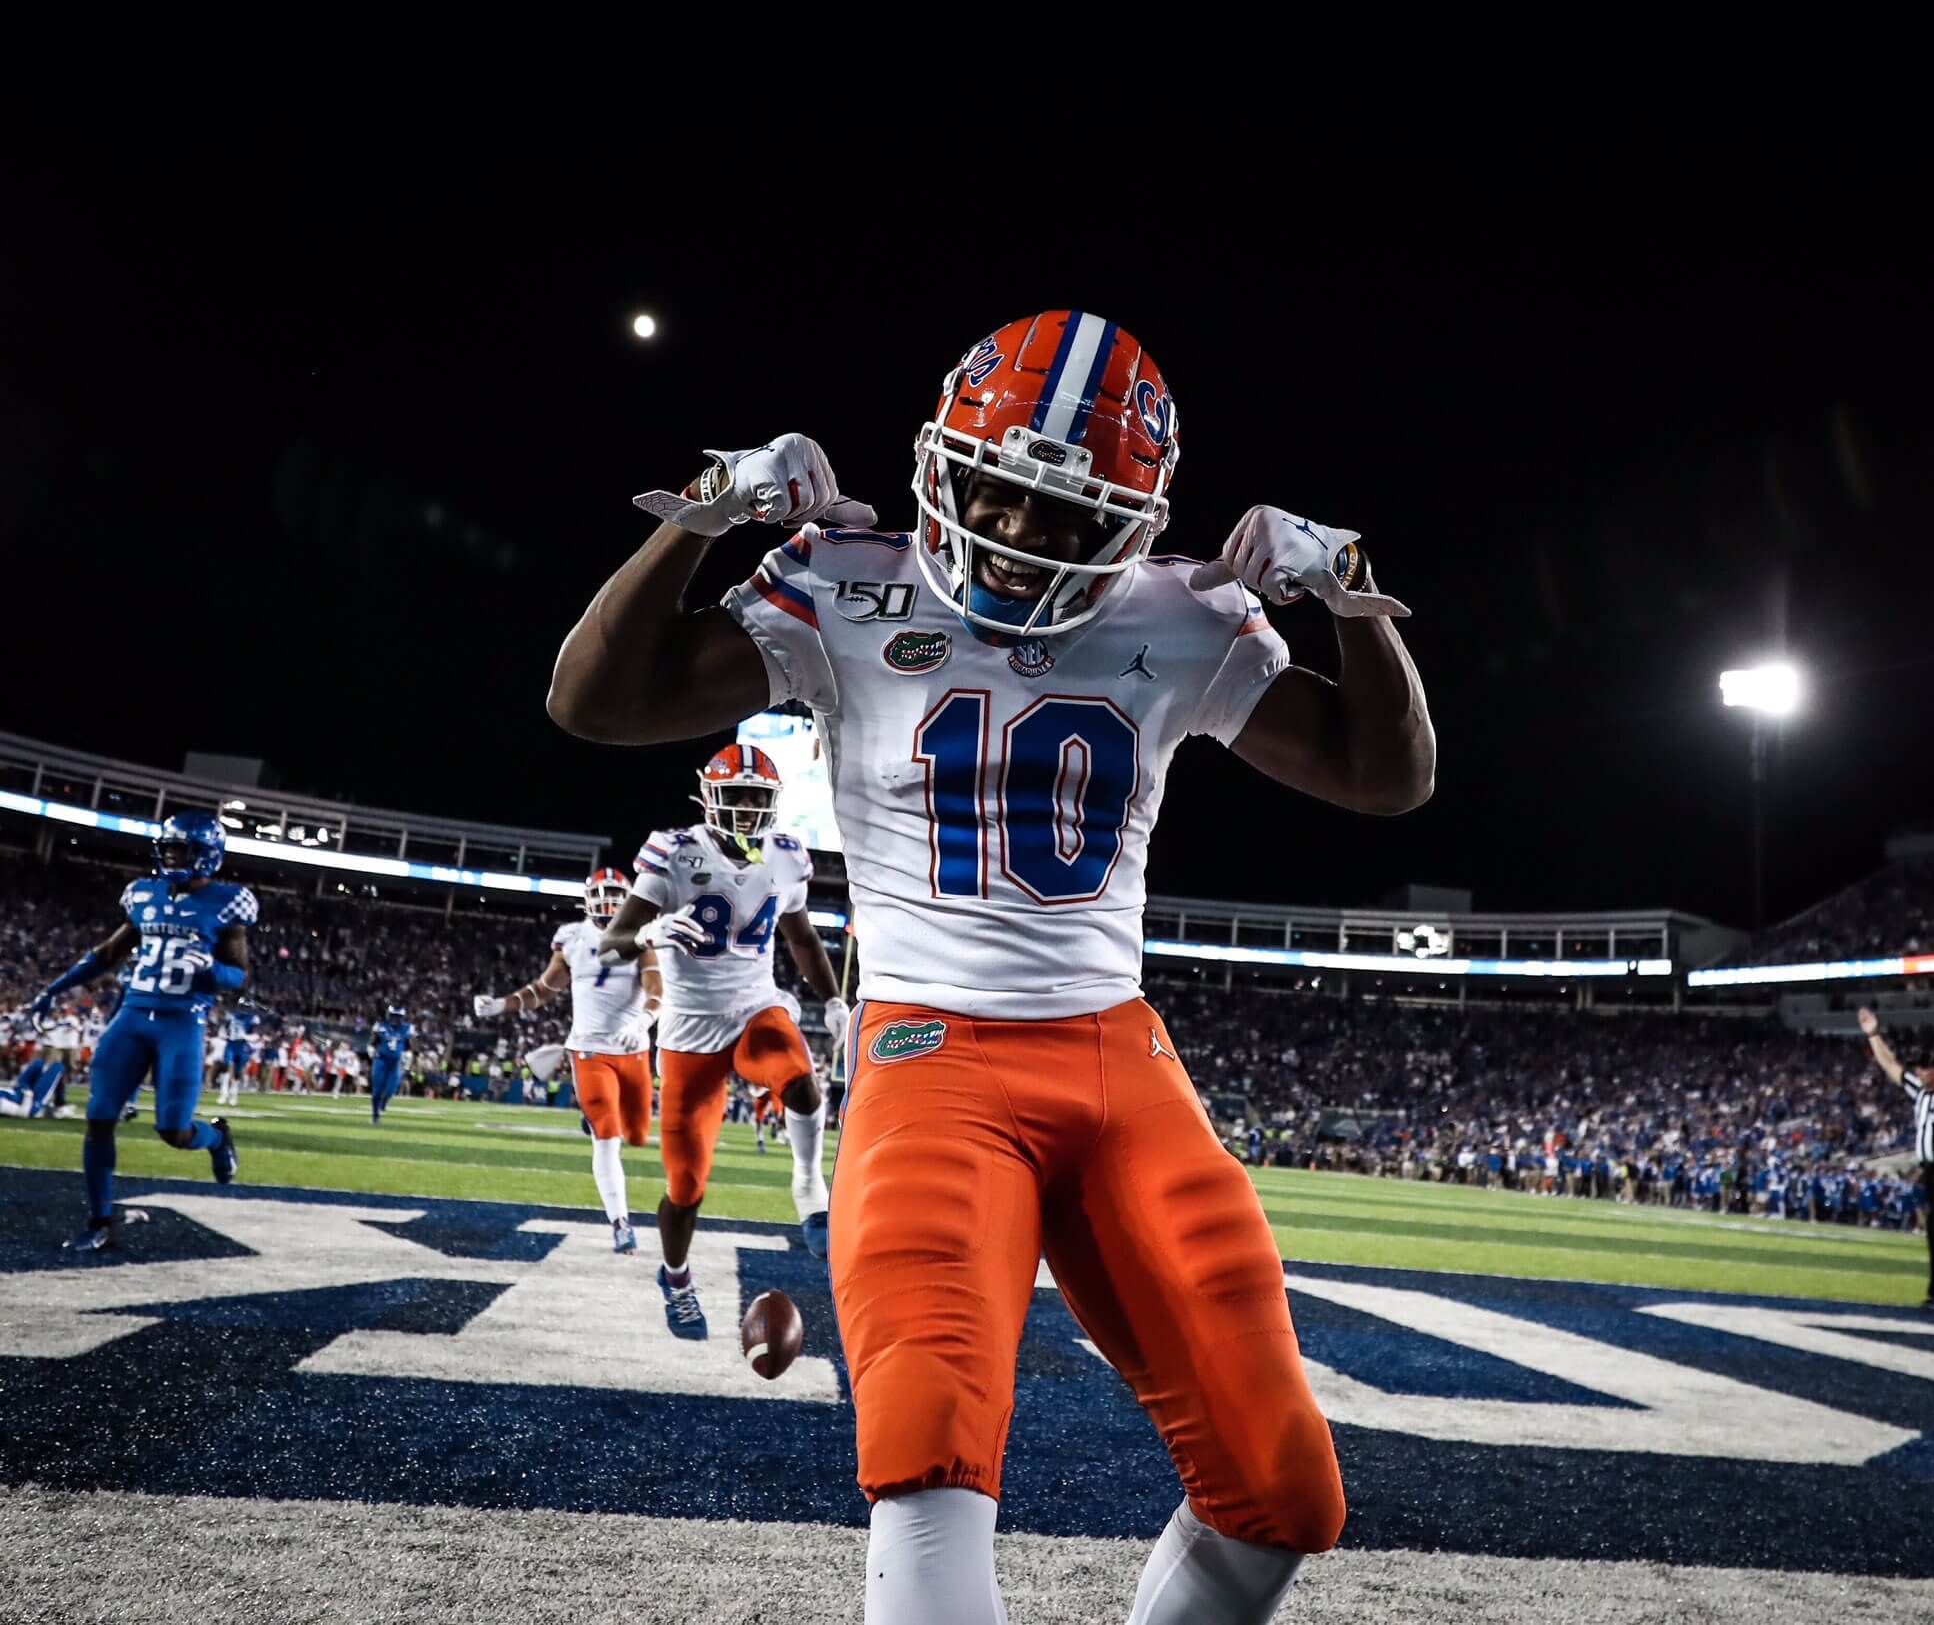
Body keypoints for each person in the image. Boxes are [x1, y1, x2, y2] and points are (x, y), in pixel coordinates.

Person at [548, 310, 1434, 1622]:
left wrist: (1350, 587)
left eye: (1074, 517)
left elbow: (1385, 773)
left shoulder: (1180, 613)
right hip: (931, 1060)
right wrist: (704, 509)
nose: (1026, 537)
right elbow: (594, 700)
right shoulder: (846, 584)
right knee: (932, 1447)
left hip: (1123, 1063)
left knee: (1285, 1489)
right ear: (941, 463)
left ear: (1138, 521)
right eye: (1002, 492)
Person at [594, 745, 848, 1337]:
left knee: (801, 1083)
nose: (749, 808)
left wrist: (833, 998)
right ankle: (676, 1275)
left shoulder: (786, 856)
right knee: (686, 1187)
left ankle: (809, 1187)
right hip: (688, 1030)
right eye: (737, 796)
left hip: (754, 1006)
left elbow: (803, 939)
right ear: (710, 798)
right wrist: (652, 929)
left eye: (759, 797)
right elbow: (613, 941)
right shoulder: (676, 851)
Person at [22, 812, 254, 1251]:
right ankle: (100, 1220)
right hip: (131, 1016)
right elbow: (107, 953)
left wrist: (211, 969)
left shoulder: (229, 901)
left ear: (205, 855)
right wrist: (54, 988)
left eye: (179, 849)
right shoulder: (144, 893)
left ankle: (217, 1137)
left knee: (173, 1130)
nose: (169, 855)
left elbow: (240, 977)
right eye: (166, 847)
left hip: (181, 1022)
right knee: (99, 1117)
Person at [476, 868, 661, 1252]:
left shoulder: (642, 933)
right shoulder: (573, 937)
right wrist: (500, 1005)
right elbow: (543, 990)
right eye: (603, 893)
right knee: (607, 1139)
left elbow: (656, 989)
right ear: (587, 899)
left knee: (637, 1128)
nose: (609, 901)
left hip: (632, 1049)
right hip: (589, 1049)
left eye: (615, 893)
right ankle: (620, 1223)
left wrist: (644, 1021)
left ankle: (593, 1116)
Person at [1859, 1004, 1934, 1309]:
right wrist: (1873, 1034)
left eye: (1925, 1068)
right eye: (1919, 1068)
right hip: (1932, 1172)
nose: (1920, 1072)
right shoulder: (1920, 1092)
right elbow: (1891, 1066)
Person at [367, 1004, 412, 1124]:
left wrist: (407, 1058)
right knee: (376, 1091)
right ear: (389, 1015)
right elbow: (372, 1043)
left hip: (395, 1063)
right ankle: (375, 1115)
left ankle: (385, 1101)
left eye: (398, 1016)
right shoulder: (380, 1026)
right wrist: (371, 1050)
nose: (396, 1019)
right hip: (381, 1061)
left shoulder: (406, 1028)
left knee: (391, 1089)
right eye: (394, 1016)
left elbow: (409, 1047)